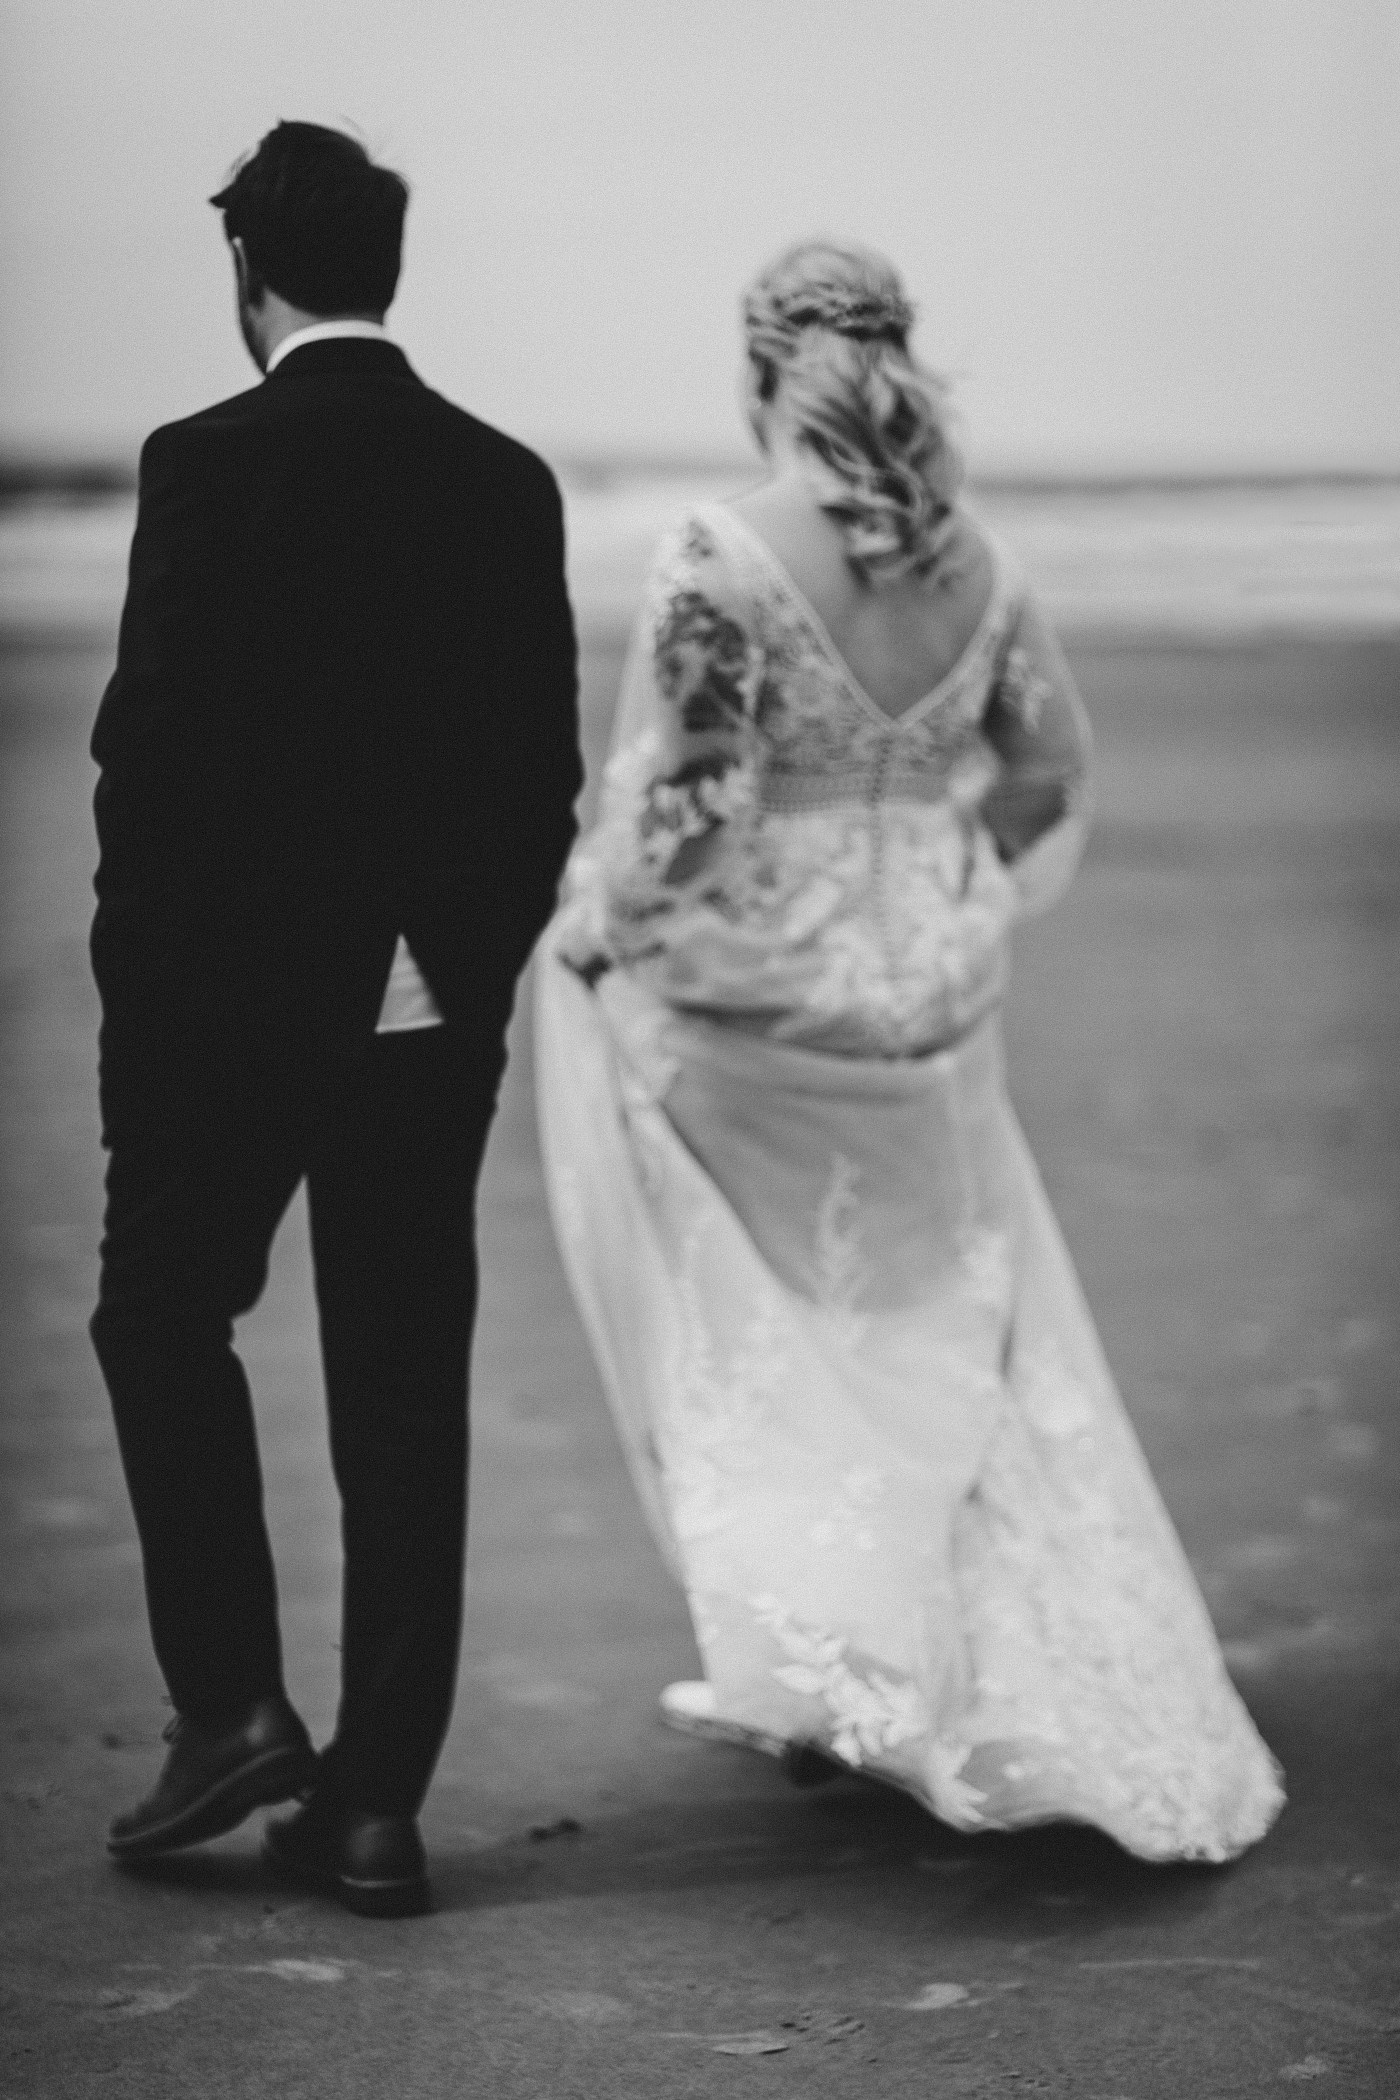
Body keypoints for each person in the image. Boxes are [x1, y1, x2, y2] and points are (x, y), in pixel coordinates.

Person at [536, 240, 1283, 1863]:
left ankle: (829, 1656)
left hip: (749, 1010)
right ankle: (923, 1657)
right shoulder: (982, 569)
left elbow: (691, 807)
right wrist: (944, 892)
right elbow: (1048, 772)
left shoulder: (719, 552)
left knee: (788, 1328)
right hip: (929, 1013)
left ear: (757, 373)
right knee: (945, 1322)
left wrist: (597, 926)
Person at [89, 121, 580, 1916]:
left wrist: (138, 985)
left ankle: (228, 1707)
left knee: (158, 1316)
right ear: (389, 265)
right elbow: (542, 781)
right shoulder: (503, 479)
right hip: (423, 1009)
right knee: (397, 1386)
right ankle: (376, 1807)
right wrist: (472, 972)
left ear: (248, 272)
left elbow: (150, 760)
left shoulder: (204, 463)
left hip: (227, 1005)